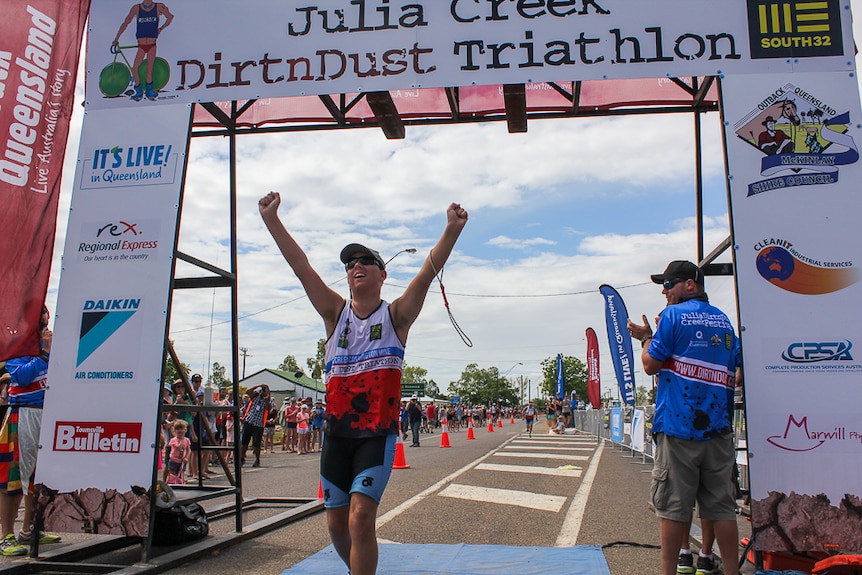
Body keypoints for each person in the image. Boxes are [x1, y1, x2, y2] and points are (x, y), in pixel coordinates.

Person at [259, 191, 468, 575]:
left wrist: (451, 230)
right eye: (350, 263)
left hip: (376, 434)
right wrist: (272, 220)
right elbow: (300, 266)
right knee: (337, 525)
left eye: (365, 261)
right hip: (337, 435)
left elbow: (426, 272)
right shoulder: (333, 313)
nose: (355, 266)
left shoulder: (397, 316)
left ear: (382, 274)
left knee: (360, 519)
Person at [627, 260, 740, 575]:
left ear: (690, 284)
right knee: (722, 510)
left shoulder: (672, 317)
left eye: (668, 284)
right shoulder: (724, 320)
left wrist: (646, 338)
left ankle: (670, 571)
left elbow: (650, 364)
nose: (664, 291)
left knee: (674, 508)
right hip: (719, 428)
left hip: (678, 429)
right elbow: (739, 372)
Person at [0, 306, 61, 557]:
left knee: (39, 477)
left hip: (47, 413)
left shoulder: (51, 344)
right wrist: (45, 353)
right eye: (40, 319)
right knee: (12, 478)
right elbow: (23, 377)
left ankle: (30, 528)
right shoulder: (17, 346)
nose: (44, 323)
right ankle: (6, 535)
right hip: (22, 412)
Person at [112, 0, 173, 101]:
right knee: (135, 68)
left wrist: (161, 29)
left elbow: (170, 17)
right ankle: (139, 90)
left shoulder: (159, 6)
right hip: (141, 45)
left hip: (152, 44)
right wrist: (116, 38)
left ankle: (149, 91)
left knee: (150, 68)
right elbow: (126, 23)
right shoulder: (136, 8)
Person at [240, 384, 271, 468]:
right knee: (244, 442)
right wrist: (258, 386)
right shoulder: (255, 396)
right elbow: (247, 392)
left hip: (259, 425)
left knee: (256, 444)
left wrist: (266, 399)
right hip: (249, 421)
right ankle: (242, 458)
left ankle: (257, 459)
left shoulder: (267, 400)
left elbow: (269, 408)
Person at [167, 420, 191, 485]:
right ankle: (170, 484)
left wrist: (187, 457)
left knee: (180, 473)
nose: (180, 431)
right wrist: (182, 440)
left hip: (182, 461)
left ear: (185, 430)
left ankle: (180, 483)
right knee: (172, 474)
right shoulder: (173, 440)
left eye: (181, 429)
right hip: (174, 460)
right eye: (177, 429)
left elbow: (188, 450)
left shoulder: (187, 440)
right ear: (174, 431)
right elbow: (178, 447)